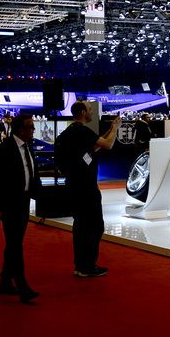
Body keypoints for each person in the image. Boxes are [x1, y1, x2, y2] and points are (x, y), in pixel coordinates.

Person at [54, 102, 120, 278]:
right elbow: (107, 145)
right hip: (86, 187)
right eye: (90, 110)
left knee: (81, 226)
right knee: (95, 226)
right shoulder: (82, 131)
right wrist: (115, 128)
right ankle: (87, 266)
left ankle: (81, 265)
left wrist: (108, 131)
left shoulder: (70, 132)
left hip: (74, 185)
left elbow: (93, 147)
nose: (92, 112)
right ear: (83, 112)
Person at [0, 114, 40, 303]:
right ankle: (22, 285)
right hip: (9, 204)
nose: (33, 130)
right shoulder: (4, 150)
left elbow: (32, 174)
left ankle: (4, 281)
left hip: (24, 202)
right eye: (30, 127)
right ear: (20, 129)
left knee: (13, 244)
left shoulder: (28, 147)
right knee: (15, 245)